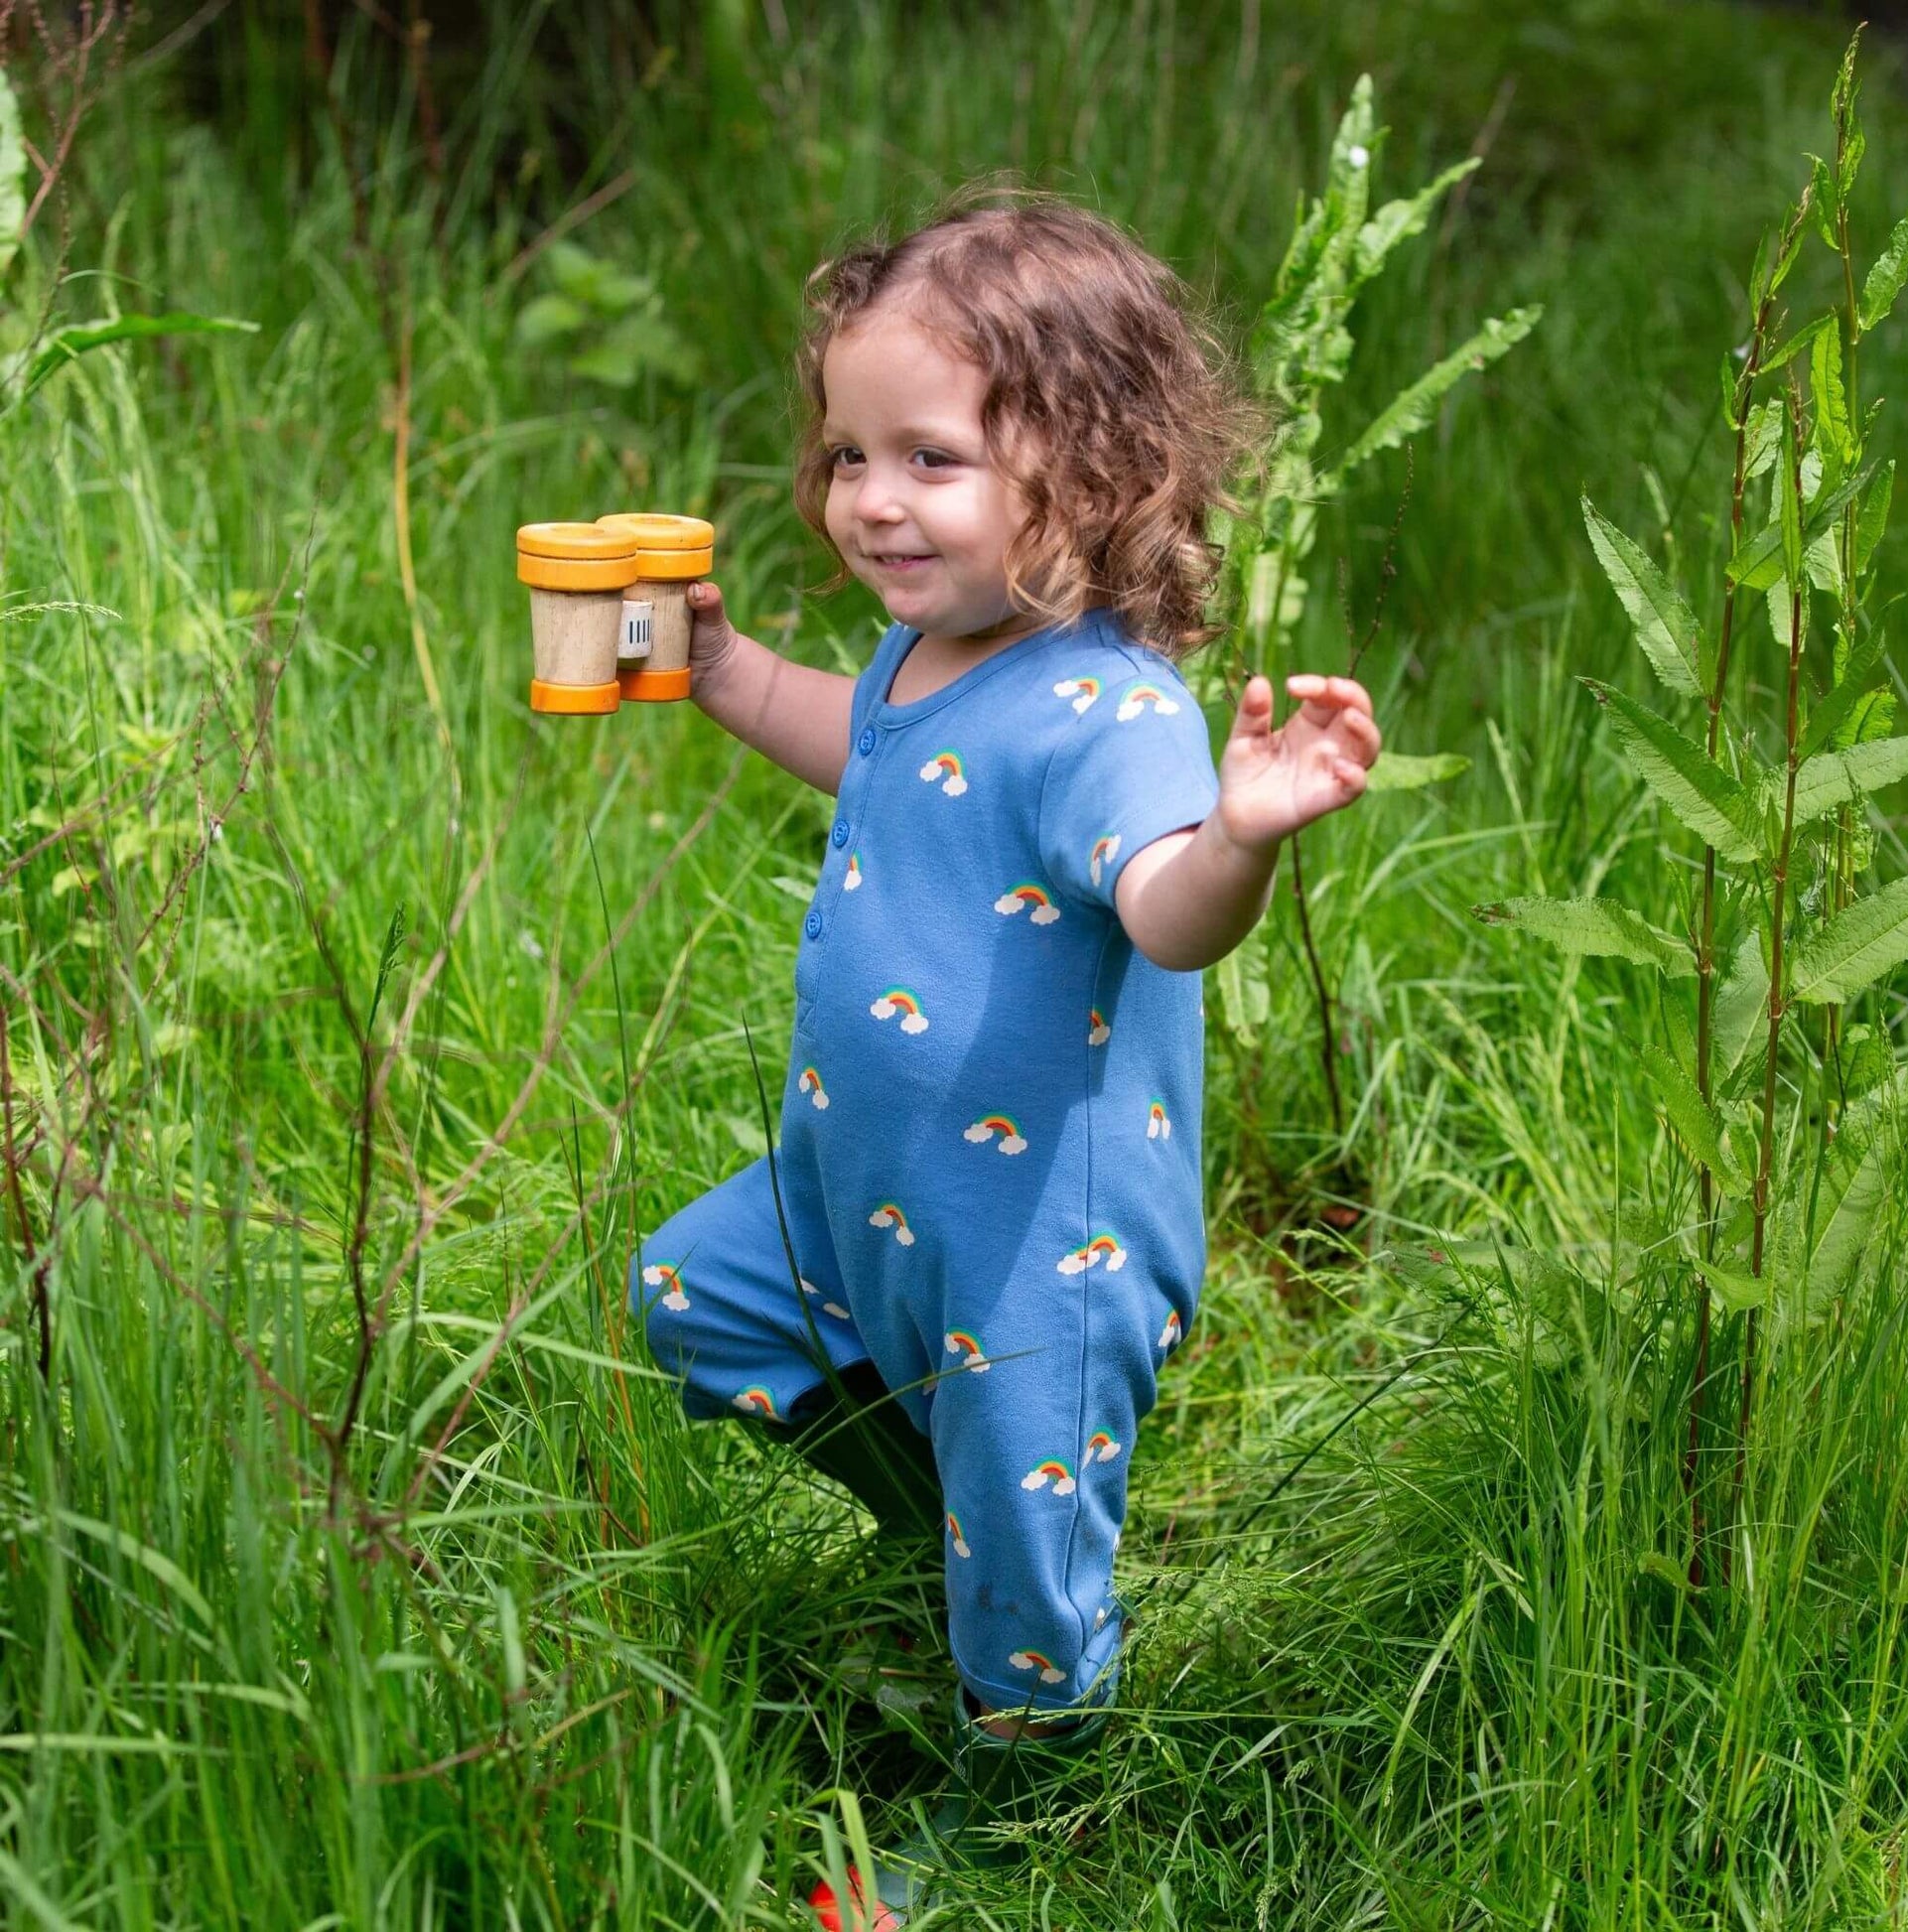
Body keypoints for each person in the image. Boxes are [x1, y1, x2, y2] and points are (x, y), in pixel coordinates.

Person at [629, 190, 1381, 1925]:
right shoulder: (931, 644)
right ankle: (955, 1537)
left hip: (1041, 1240)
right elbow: (877, 747)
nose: (869, 500)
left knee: (1032, 1576)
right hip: (862, 1193)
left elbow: (1167, 906)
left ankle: (1023, 1805)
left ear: (1089, 470)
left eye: (931, 459)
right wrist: (731, 668)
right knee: (693, 1294)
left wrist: (1247, 835)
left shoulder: (1113, 710)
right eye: (843, 455)